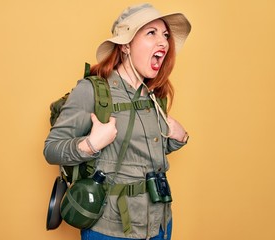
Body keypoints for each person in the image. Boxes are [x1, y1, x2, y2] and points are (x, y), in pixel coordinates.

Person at [44, 3, 191, 240]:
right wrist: (91, 144)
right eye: (151, 33)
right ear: (125, 45)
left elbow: (140, 154)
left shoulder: (154, 94)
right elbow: (51, 149)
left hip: (159, 224)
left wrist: (179, 138)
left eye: (165, 35)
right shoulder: (92, 91)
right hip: (111, 229)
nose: (163, 42)